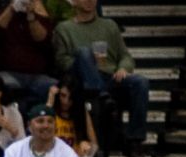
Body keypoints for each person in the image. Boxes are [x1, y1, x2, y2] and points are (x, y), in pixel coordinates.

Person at [54, 0, 146, 148]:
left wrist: (123, 68)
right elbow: (62, 61)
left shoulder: (109, 25)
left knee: (140, 82)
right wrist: (85, 61)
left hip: (110, 76)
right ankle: (102, 95)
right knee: (84, 52)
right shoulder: (64, 28)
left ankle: (135, 140)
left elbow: (125, 56)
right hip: (83, 78)